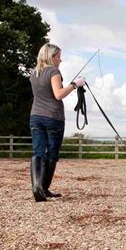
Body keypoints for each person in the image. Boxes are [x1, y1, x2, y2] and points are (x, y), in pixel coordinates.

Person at [29, 43, 86, 202]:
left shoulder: (34, 73)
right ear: (51, 57)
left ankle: (36, 188)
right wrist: (75, 85)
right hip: (53, 117)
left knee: (38, 151)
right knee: (52, 153)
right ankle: (43, 189)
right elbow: (58, 94)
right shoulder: (54, 71)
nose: (60, 60)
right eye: (58, 57)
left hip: (35, 116)